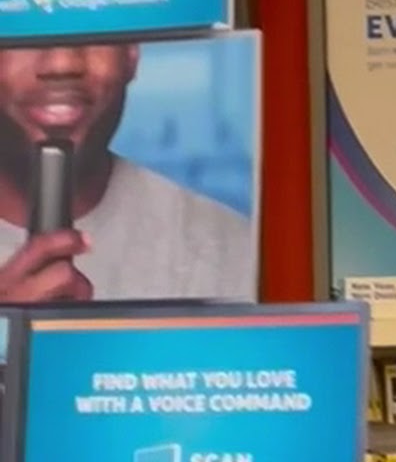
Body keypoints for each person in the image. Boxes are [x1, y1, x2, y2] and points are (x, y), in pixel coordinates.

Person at [0, 40, 253, 304]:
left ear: (131, 54)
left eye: (95, 28)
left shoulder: (229, 249)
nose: (62, 64)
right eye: (24, 30)